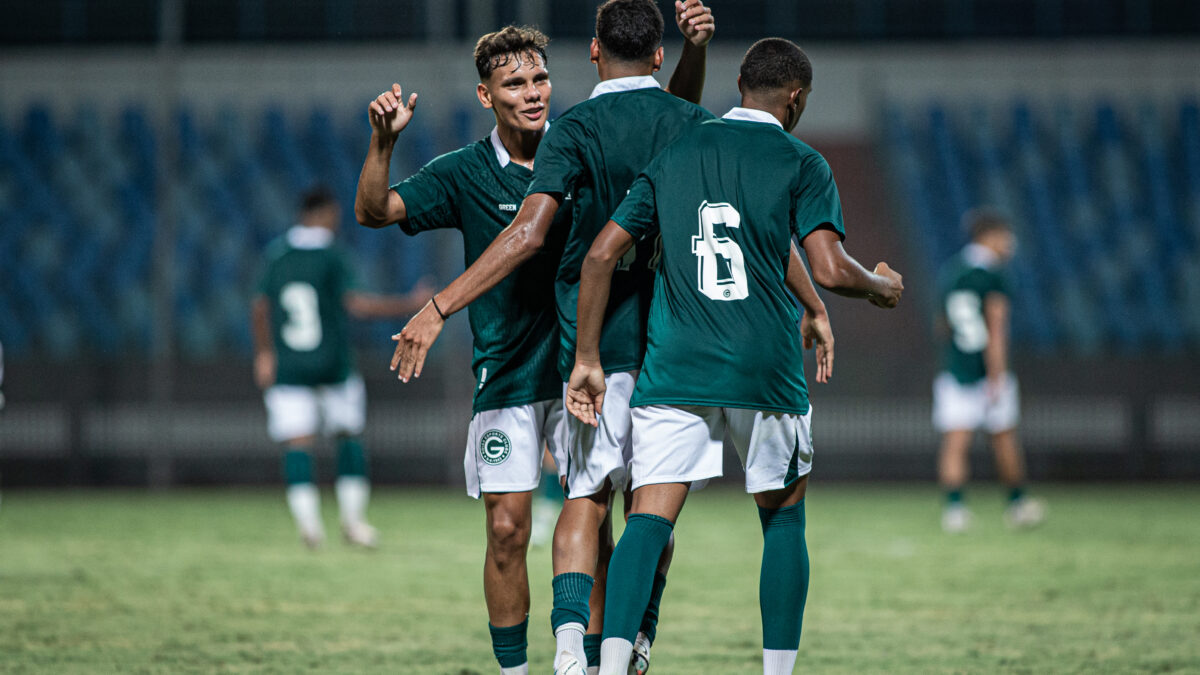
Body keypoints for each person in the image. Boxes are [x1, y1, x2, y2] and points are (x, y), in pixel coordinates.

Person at [355, 9, 714, 673]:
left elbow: (669, 124)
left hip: (593, 360)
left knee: (607, 520)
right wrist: (382, 145)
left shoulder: (579, 142)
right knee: (505, 530)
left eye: (541, 77)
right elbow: (376, 211)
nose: (533, 91)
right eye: (515, 83)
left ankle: (597, 655)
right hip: (512, 372)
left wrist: (440, 307)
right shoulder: (462, 171)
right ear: (486, 96)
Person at [562, 38, 903, 675]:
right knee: (781, 519)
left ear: (740, 81)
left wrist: (587, 355)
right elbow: (827, 266)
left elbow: (601, 255)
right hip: (763, 369)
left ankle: (609, 667)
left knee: (646, 521)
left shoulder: (678, 152)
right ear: (796, 98)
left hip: (677, 365)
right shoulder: (801, 161)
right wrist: (880, 287)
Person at [251, 186, 428, 550]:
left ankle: (310, 527)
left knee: (297, 443)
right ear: (325, 213)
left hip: (290, 364)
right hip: (333, 362)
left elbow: (260, 307)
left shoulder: (277, 255)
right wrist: (408, 305)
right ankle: (353, 522)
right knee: (348, 437)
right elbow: (357, 304)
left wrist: (265, 353)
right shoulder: (332, 256)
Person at [934, 208, 1045, 533]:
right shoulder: (994, 275)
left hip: (955, 368)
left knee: (955, 441)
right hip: (985, 372)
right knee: (1004, 438)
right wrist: (997, 375)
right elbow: (996, 329)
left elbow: (941, 324)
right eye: (1005, 236)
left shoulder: (951, 272)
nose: (1009, 243)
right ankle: (1017, 505)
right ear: (990, 235)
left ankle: (954, 510)